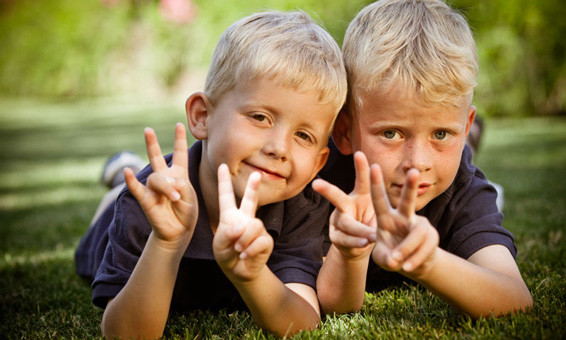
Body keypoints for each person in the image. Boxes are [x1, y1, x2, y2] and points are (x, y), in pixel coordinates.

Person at [75, 11, 347, 338]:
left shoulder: (301, 209)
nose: (279, 148)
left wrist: (253, 276)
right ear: (203, 117)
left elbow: (303, 323)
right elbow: (125, 334)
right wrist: (166, 241)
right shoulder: (146, 204)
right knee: (122, 195)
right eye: (260, 117)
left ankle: (124, 169)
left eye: (303, 136)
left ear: (318, 164)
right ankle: (122, 179)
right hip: (110, 226)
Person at [313, 0, 532, 318]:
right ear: (344, 132)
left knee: (473, 179)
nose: (417, 163)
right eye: (391, 134)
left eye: (441, 134)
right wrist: (349, 255)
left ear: (465, 123)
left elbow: (517, 301)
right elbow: (334, 305)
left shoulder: (462, 190)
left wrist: (430, 263)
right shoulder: (318, 180)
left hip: (460, 173)